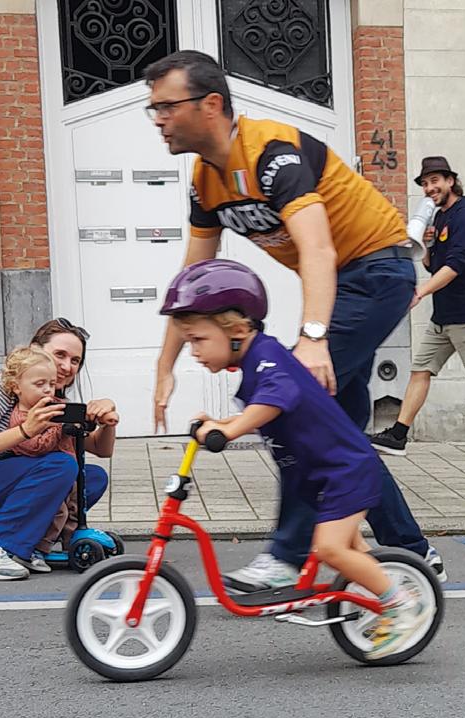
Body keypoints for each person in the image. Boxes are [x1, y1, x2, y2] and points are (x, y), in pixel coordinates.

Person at [144, 50, 445, 591]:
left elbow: (318, 249)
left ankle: (287, 554)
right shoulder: (205, 181)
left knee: (296, 406)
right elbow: (191, 283)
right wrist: (165, 366)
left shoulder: (272, 154)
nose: (159, 120)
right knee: (340, 435)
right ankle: (412, 555)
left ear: (210, 105)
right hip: (343, 283)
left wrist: (313, 337)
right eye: (154, 109)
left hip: (376, 270)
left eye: (167, 107)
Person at [161, 259, 427, 659]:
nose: (194, 351)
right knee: (352, 551)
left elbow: (276, 398)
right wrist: (220, 423)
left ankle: (402, 606)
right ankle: (383, 590)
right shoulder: (255, 363)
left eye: (198, 340)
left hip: (345, 470)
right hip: (322, 475)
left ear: (236, 329)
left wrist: (230, 430)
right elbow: (266, 409)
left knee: (329, 549)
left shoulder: (268, 357)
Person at [369, 156, 465, 464]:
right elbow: (434, 265)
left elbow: (456, 266)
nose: (430, 188)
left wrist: (420, 291)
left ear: (450, 181)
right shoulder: (441, 217)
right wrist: (427, 244)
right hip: (443, 316)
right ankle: (398, 436)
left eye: (435, 181)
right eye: (425, 183)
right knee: (421, 370)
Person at [0, 319, 119, 580]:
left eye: (75, 360)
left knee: (91, 476)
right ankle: (5, 543)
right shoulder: (4, 389)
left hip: (15, 478)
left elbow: (101, 449)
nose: (66, 366)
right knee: (61, 466)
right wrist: (25, 430)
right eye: (59, 355)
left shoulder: (54, 401)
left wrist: (107, 419)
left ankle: (35, 541)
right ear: (35, 351)